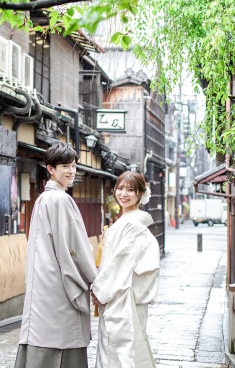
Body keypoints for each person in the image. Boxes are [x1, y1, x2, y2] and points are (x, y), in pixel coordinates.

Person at [15, 142, 98, 368]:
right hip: (58, 284)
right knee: (62, 338)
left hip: (43, 280)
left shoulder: (43, 198)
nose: (71, 171)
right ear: (50, 169)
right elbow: (76, 248)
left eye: (73, 166)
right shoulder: (61, 199)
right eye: (65, 166)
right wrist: (95, 280)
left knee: (41, 334)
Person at [91, 172, 160, 368]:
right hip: (119, 292)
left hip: (122, 295)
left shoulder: (132, 223)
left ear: (140, 194)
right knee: (126, 348)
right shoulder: (129, 221)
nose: (124, 194)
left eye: (130, 190)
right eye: (120, 188)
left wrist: (99, 290)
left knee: (120, 350)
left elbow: (122, 261)